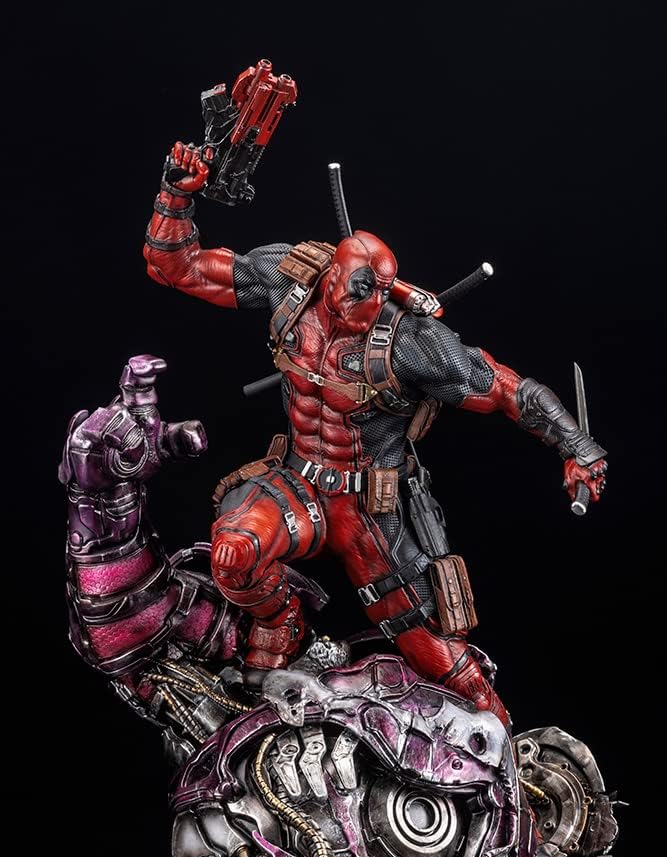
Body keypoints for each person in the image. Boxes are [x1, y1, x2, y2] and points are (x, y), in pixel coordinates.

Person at [143, 141, 608, 727]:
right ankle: (282, 623)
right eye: (354, 288)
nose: (361, 304)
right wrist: (176, 194)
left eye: (377, 294)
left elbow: (505, 388)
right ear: (330, 273)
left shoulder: (410, 342)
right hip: (299, 484)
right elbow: (176, 268)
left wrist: (577, 448)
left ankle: (505, 750)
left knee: (434, 652)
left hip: (370, 510)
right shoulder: (291, 284)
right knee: (233, 553)